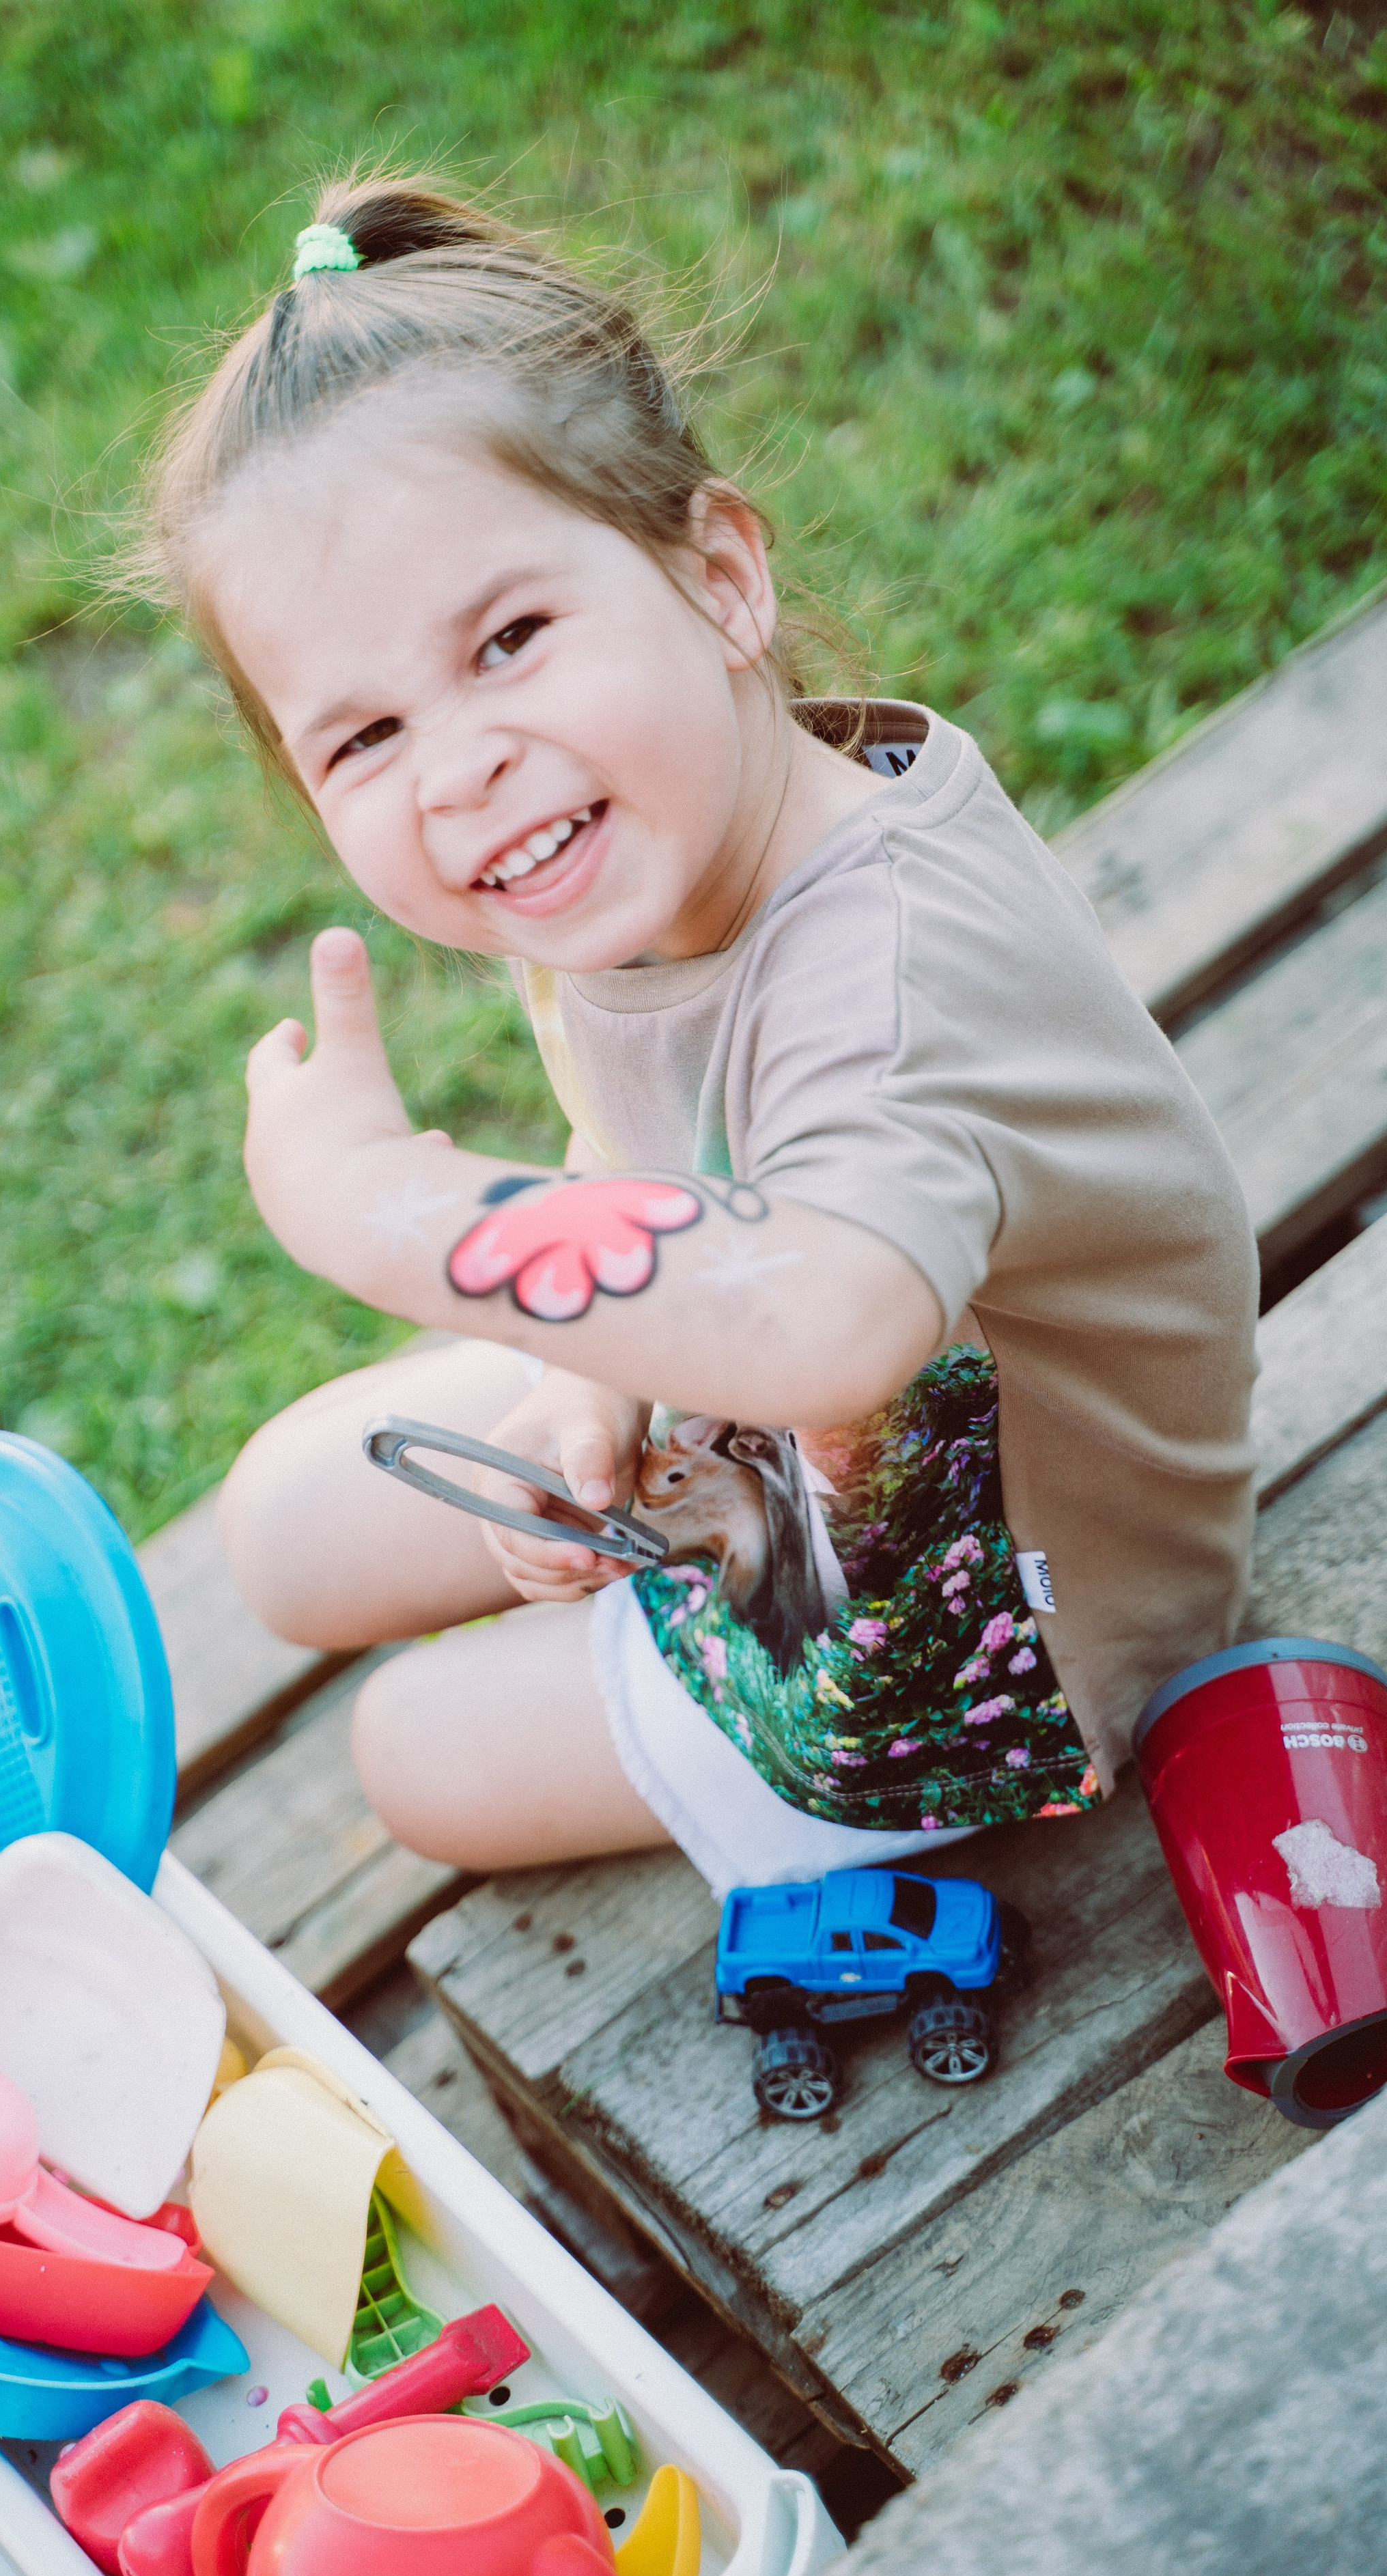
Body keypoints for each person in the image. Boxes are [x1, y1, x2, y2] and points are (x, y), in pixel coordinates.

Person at [132, 175, 1257, 1901]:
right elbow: (632, 1143)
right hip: (770, 1425)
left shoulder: (881, 973)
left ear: (718, 578)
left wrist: (394, 1220)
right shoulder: (627, 840)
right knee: (277, 1523)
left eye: (508, 639)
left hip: (1007, 1609)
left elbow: (830, 1325)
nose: (459, 764)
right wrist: (593, 1372)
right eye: (361, 736)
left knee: (407, 1759)